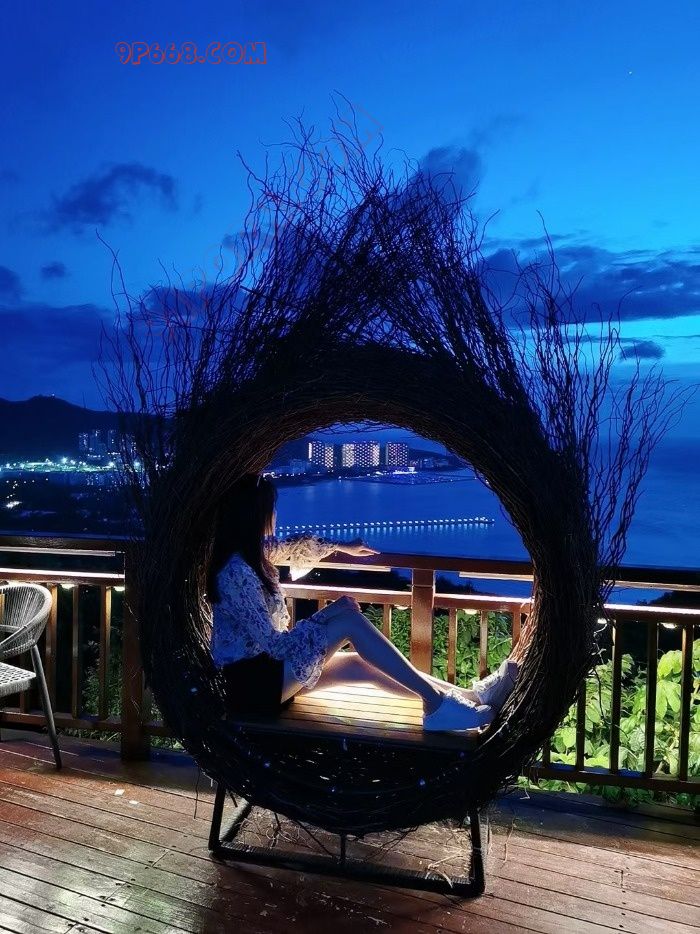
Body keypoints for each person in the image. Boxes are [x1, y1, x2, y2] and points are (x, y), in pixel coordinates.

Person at [208, 473, 519, 732]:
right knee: (347, 621)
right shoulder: (236, 573)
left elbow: (292, 546)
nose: (275, 516)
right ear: (255, 516)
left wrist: (344, 546)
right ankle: (435, 705)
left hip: (267, 675)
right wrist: (327, 617)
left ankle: (471, 697)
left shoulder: (252, 556)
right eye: (271, 509)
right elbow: (274, 647)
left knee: (358, 663)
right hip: (254, 686)